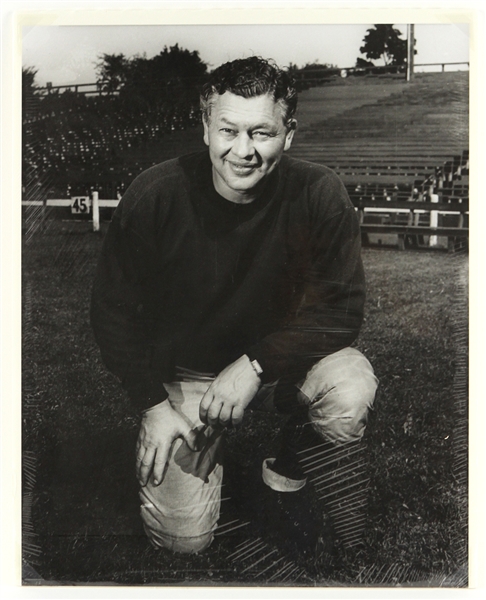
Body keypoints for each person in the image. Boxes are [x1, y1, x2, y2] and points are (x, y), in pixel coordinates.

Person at [91, 57, 378, 559]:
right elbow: (112, 313)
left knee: (349, 390)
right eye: (228, 130)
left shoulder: (319, 191)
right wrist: (152, 406)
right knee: (183, 541)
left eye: (262, 133)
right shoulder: (156, 193)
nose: (243, 151)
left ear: (289, 134)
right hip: (185, 378)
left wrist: (255, 365)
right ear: (205, 127)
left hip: (277, 368)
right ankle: (177, 446)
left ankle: (285, 470)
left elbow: (341, 309)